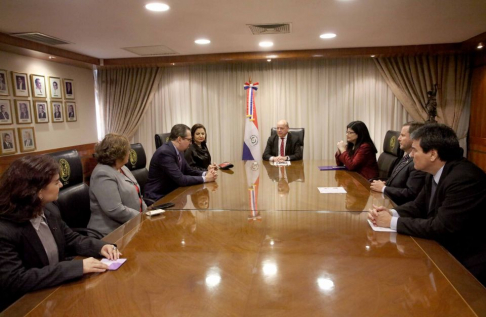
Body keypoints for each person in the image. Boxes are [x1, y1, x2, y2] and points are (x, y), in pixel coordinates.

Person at [368, 124, 486, 286]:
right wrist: (390, 212)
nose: (411, 154)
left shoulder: (463, 178)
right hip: (443, 251)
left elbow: (441, 226)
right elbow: (418, 206)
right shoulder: (435, 171)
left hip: (467, 262)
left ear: (432, 154)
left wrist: (391, 222)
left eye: (415, 150)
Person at [0, 155, 120, 311]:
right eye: (56, 182)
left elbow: (71, 238)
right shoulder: (5, 229)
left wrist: (101, 247)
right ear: (37, 191)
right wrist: (77, 267)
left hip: (56, 291)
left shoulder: (49, 209)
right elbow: (16, 280)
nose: (62, 185)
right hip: (27, 305)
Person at [88, 134, 147, 236]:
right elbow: (115, 209)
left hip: (131, 225)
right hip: (111, 233)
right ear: (119, 153)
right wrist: (141, 217)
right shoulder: (102, 174)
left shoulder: (123, 168)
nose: (129, 152)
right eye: (128, 150)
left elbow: (138, 195)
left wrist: (147, 212)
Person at [144, 124, 218, 201]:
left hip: (173, 193)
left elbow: (188, 170)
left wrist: (206, 173)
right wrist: (205, 179)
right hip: (158, 196)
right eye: (189, 140)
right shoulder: (165, 153)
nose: (190, 143)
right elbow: (181, 179)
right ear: (179, 139)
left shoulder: (180, 150)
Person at [370, 122, 426, 205]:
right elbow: (395, 181)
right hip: (389, 201)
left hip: (400, 207)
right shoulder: (406, 156)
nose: (398, 139)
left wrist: (384, 188)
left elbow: (411, 193)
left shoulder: (418, 163)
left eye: (403, 135)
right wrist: (383, 183)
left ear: (414, 138)